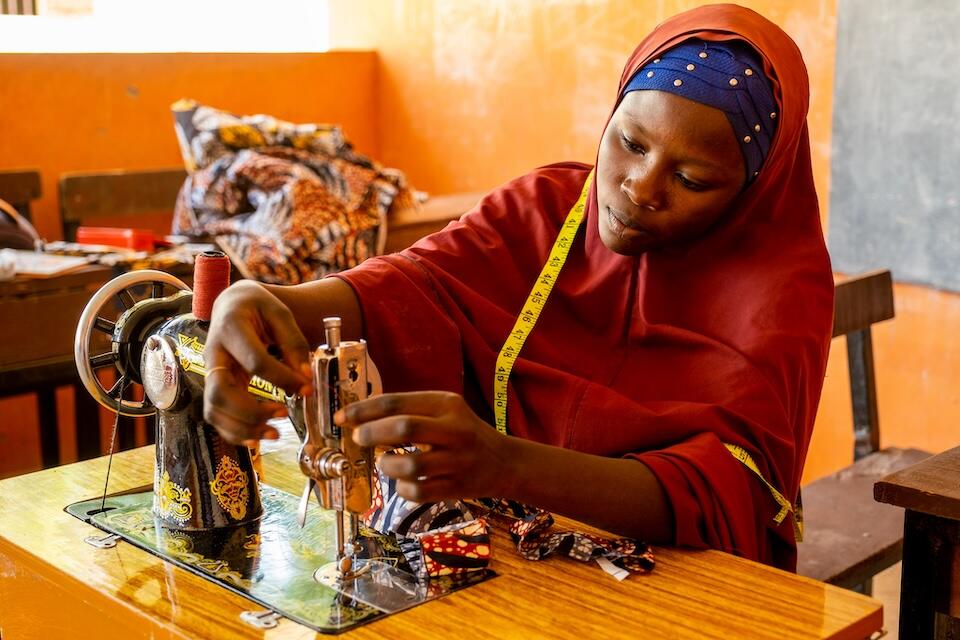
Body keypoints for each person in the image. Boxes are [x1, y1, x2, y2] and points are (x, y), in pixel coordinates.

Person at [202, 3, 833, 571]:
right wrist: (271, 302)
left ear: (754, 191)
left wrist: (506, 464)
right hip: (520, 552)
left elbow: (731, 492)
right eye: (629, 142)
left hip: (683, 582)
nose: (641, 188)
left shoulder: (777, 291)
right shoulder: (549, 206)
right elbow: (418, 285)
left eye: (692, 180)